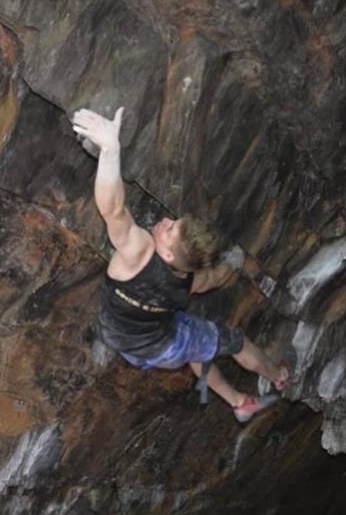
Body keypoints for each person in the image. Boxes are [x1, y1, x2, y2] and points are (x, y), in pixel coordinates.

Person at [71, 106, 290, 422]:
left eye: (169, 229)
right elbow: (213, 278)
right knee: (214, 341)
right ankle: (263, 385)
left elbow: (114, 209)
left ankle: (257, 389)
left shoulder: (138, 252)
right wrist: (235, 263)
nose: (163, 221)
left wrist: (110, 149)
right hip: (157, 343)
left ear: (170, 255)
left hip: (122, 336)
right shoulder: (187, 281)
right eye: (172, 223)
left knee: (211, 342)